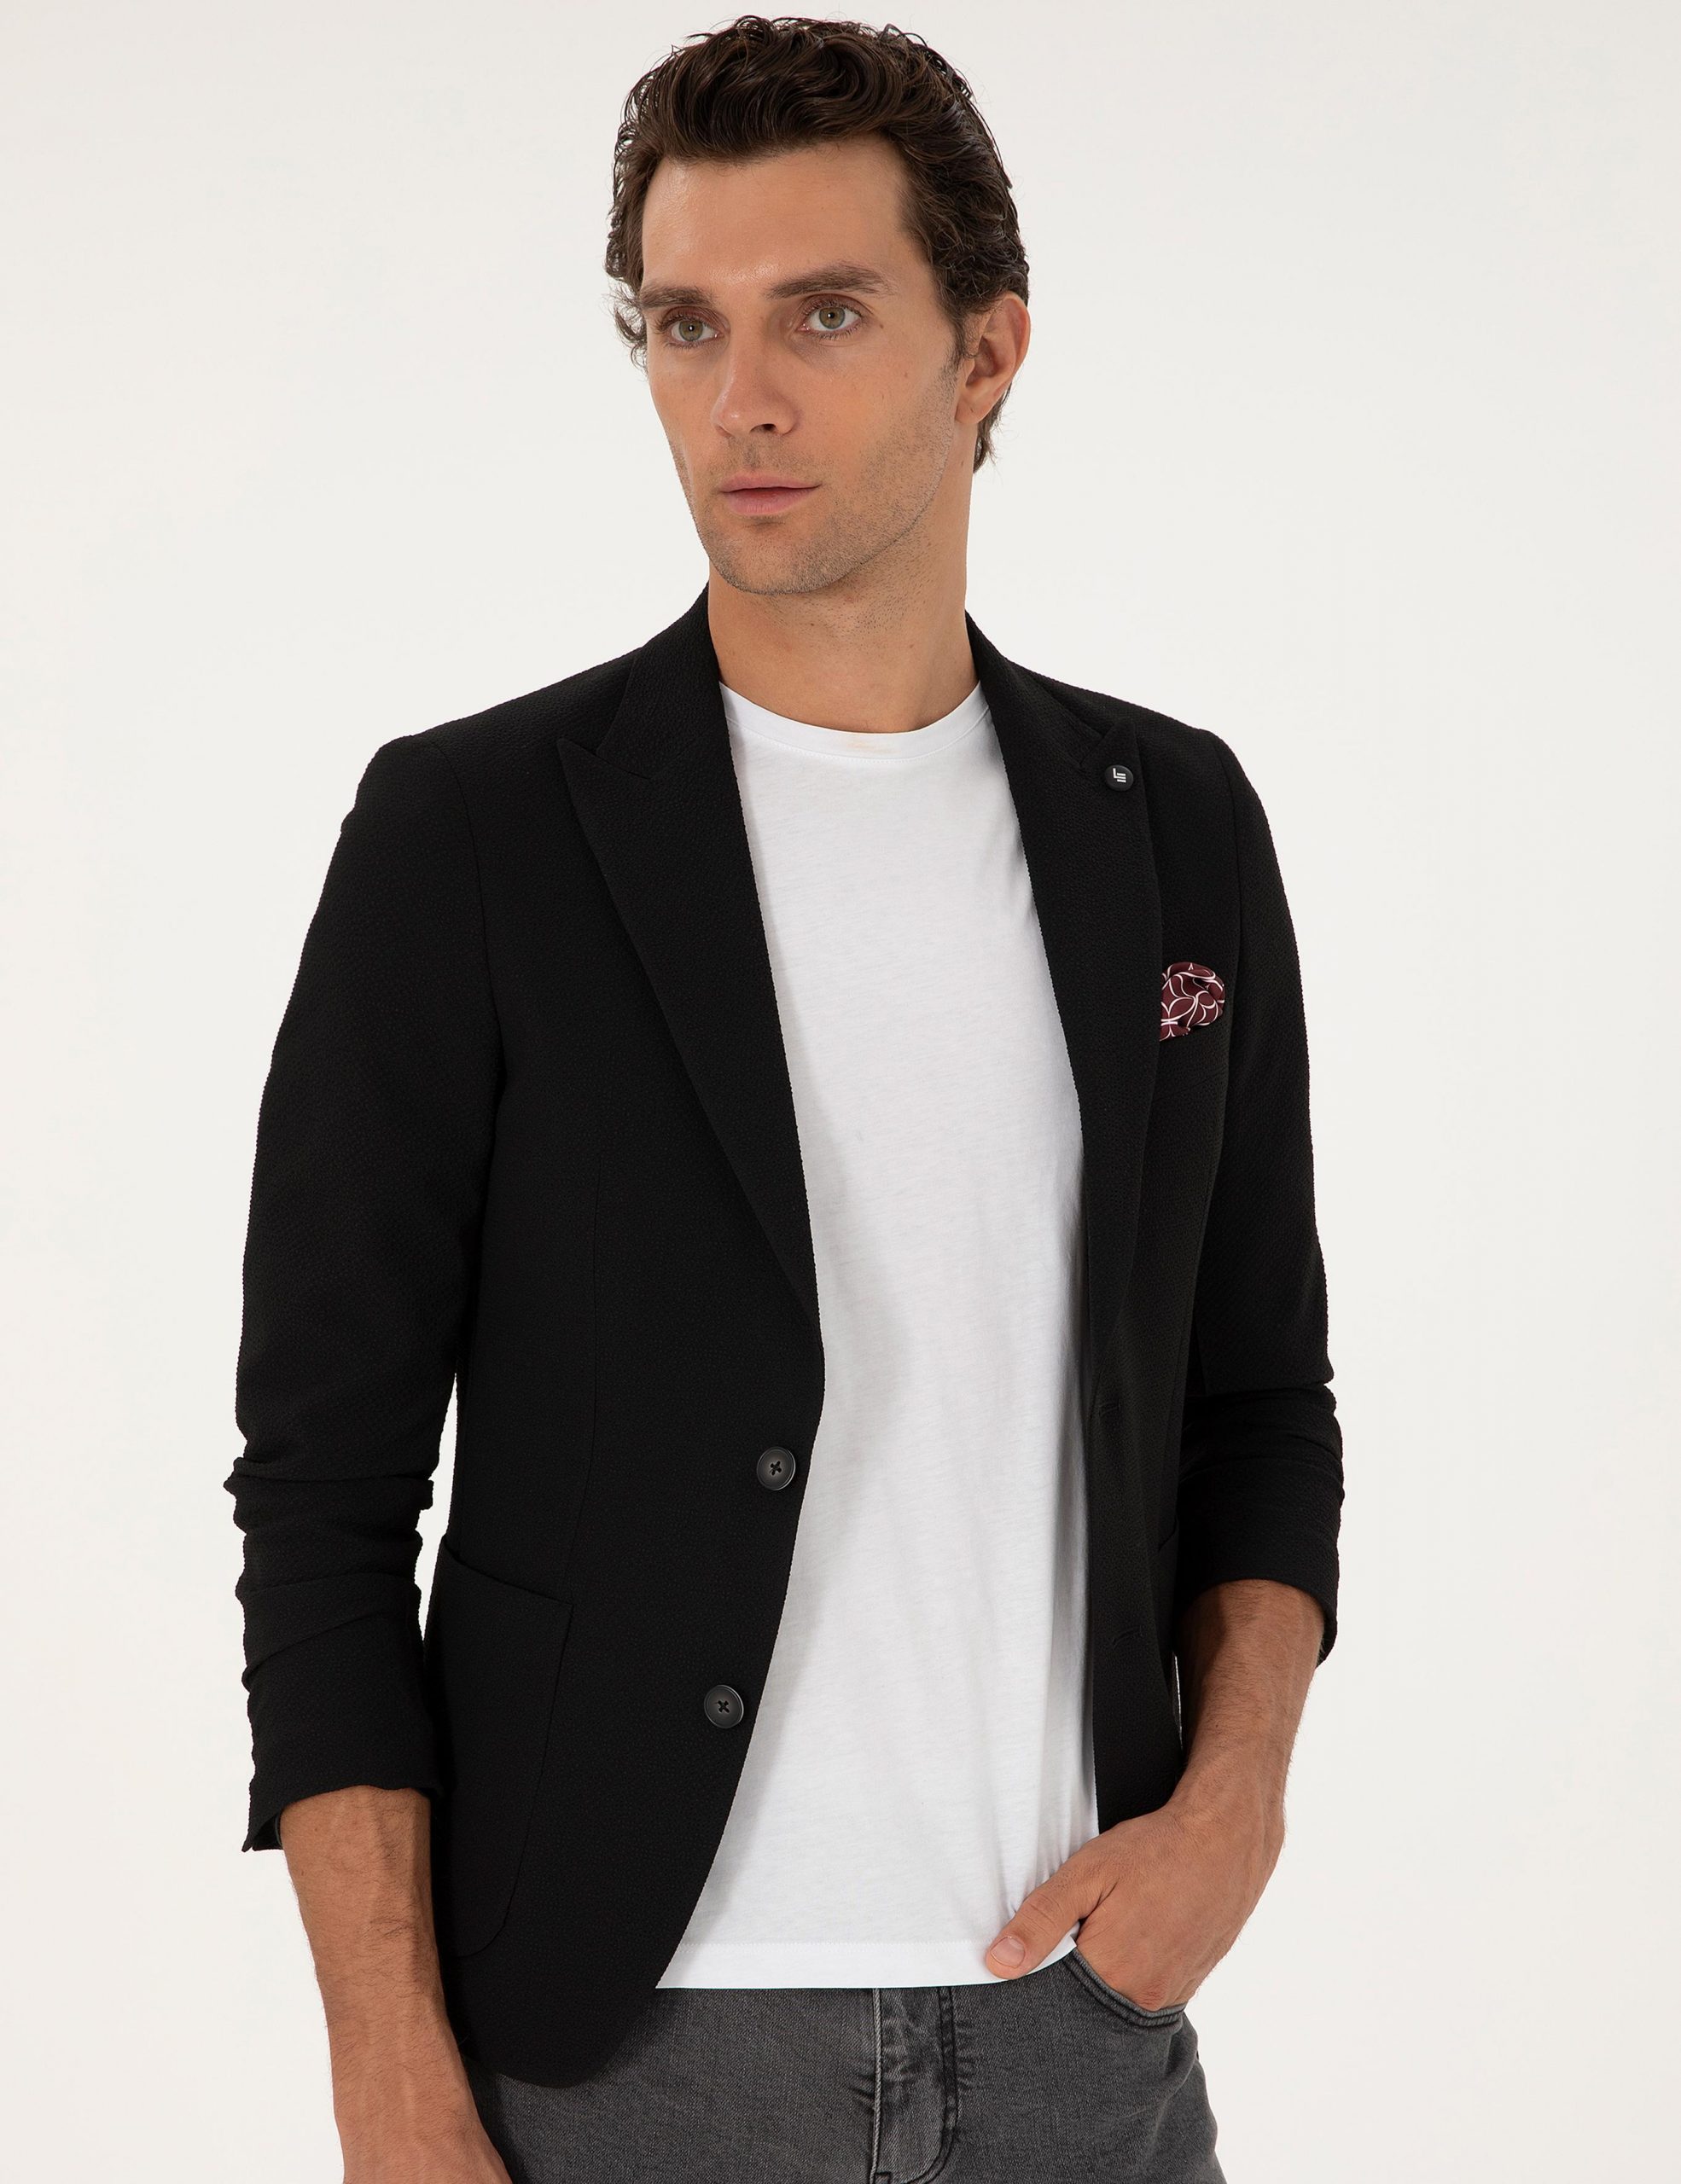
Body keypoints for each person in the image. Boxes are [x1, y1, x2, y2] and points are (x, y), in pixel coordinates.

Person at [225, 17, 1343, 2182]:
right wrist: (386, 2068)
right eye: (683, 323)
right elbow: (325, 1491)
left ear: (986, 352)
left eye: (822, 314)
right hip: (618, 2053)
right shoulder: (474, 837)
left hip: (1079, 2028)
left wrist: (1231, 1810)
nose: (738, 395)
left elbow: (1256, 1402)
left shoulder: (1172, 825)